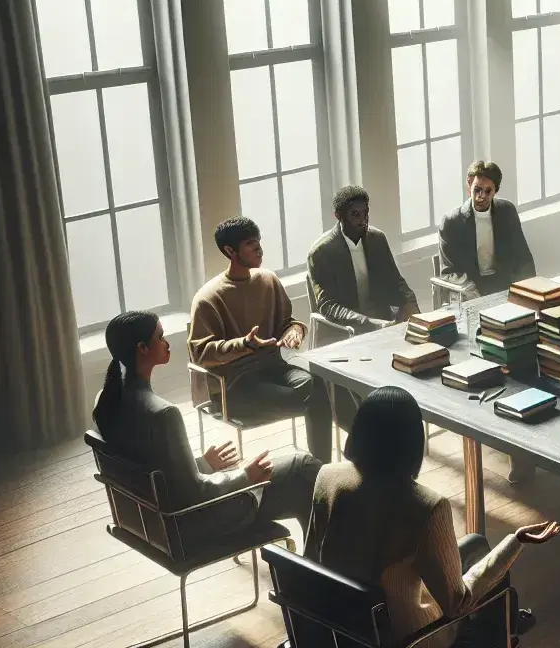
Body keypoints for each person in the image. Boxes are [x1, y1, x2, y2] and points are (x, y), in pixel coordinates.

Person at [305, 387, 560, 648]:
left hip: (338, 636)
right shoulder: (425, 506)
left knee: (474, 544)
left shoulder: (328, 477)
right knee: (498, 596)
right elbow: (458, 603)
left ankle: (507, 622)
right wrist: (515, 542)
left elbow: (314, 559)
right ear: (413, 443)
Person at [93, 311, 321, 548]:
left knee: (301, 487)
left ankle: (314, 565)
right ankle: (321, 567)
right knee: (304, 469)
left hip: (156, 524)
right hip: (196, 522)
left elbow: (156, 469)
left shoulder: (106, 403)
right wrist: (245, 476)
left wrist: (201, 464)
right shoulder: (163, 414)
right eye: (160, 337)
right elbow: (197, 493)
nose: (167, 343)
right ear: (142, 348)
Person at [189, 218, 335, 463]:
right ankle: (321, 469)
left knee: (321, 386)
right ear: (230, 251)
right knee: (317, 400)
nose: (259, 248)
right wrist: (244, 345)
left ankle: (321, 467)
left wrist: (295, 330)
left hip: (274, 369)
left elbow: (286, 321)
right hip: (234, 385)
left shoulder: (268, 280)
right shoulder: (208, 298)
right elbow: (201, 354)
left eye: (258, 241)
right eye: (250, 244)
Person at [305, 185, 419, 336]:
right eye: (355, 214)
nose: (363, 220)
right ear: (339, 216)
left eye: (365, 214)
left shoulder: (377, 239)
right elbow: (328, 306)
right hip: (346, 329)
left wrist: (409, 302)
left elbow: (395, 280)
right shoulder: (321, 252)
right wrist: (369, 323)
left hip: (384, 321)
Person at [437, 161, 537, 298]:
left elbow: (523, 258)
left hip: (504, 285)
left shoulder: (507, 212)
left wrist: (529, 290)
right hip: (471, 289)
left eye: (488, 191)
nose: (481, 196)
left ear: (496, 190)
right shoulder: (451, 222)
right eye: (477, 189)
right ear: (469, 184)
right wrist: (468, 291)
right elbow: (448, 273)